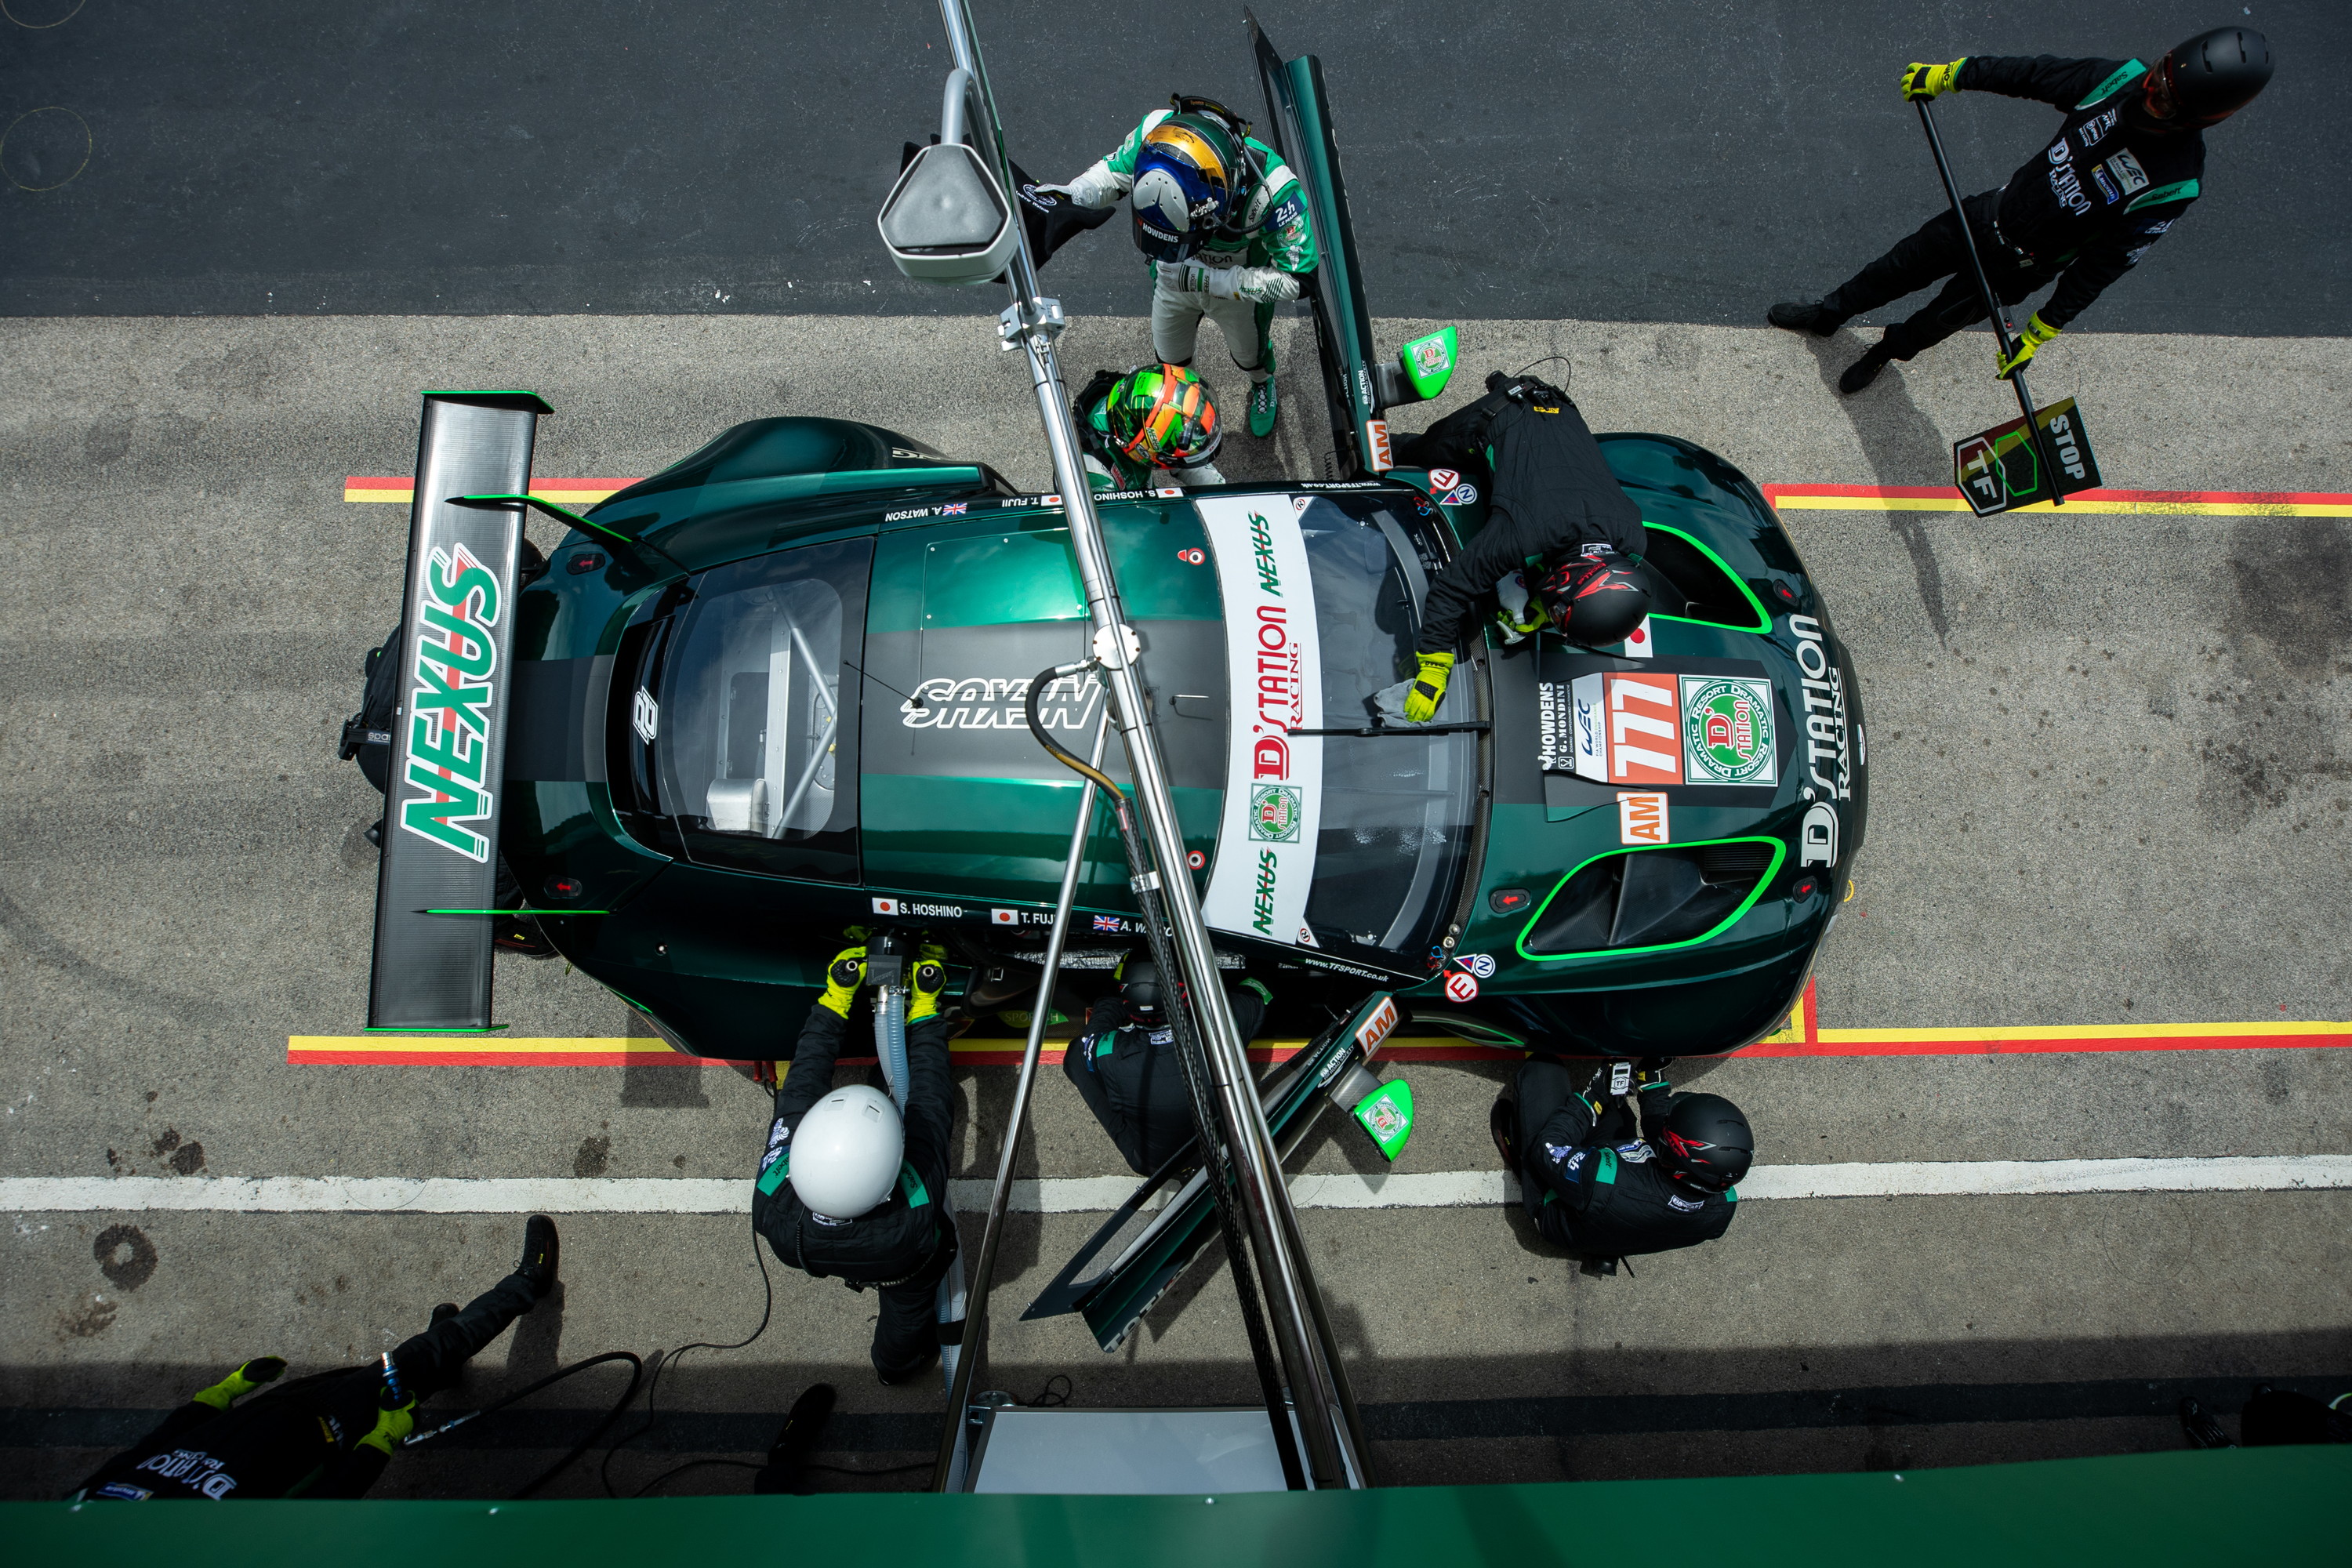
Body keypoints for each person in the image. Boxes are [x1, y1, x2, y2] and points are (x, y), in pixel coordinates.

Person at [1770, 28, 2273, 394]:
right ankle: (1829, 313)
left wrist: (2046, 326)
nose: (2148, 94)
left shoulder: (2175, 183)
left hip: (2020, 268)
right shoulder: (2118, 79)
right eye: (2157, 76)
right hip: (1986, 214)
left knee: (1933, 325)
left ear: (2200, 117)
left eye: (2163, 100)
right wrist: (1955, 74)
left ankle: (1884, 352)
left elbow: (2106, 264)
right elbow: (2033, 74)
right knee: (1892, 269)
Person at [68, 1218, 560, 1501]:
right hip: (334, 1427)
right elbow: (325, 1503)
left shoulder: (89, 1504)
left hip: (276, 1408)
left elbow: (149, 1447)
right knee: (427, 1352)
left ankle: (443, 1368)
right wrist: (381, 1440)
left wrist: (226, 1392)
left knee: (419, 1363)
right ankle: (526, 1285)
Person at [1040, 96, 1318, 439]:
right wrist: (1073, 194)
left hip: (1236, 288)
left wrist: (1208, 280)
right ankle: (1187, 412)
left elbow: (1300, 278)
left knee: (1249, 355)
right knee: (1170, 362)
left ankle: (1262, 382)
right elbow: (1112, 173)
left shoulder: (1274, 190)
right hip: (1173, 279)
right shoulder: (1156, 136)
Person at [753, 943, 960, 1385]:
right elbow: (931, 1102)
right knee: (907, 1311)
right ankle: (894, 1366)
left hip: (807, 1250)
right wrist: (925, 1011)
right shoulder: (917, 1208)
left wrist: (835, 999)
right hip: (902, 1264)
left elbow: (800, 1088)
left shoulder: (772, 1197)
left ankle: (894, 1369)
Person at [1392, 372, 1650, 722]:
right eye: (1557, 614)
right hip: (1504, 412)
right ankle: (1370, 450)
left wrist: (1546, 606)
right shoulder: (1527, 533)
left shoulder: (1633, 541)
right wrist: (1435, 666)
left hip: (1562, 414)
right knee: (1415, 454)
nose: (1552, 618)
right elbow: (1452, 588)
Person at [1490, 1059, 1748, 1266]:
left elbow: (1550, 1148)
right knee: (1616, 1109)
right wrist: (1652, 1082)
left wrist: (1592, 1098)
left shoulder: (1606, 1178)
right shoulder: (1723, 1203)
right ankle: (1605, 1233)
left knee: (1543, 1070)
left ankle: (1522, 1159)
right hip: (1620, 1212)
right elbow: (1666, 1142)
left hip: (1564, 1211)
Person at [1063, 956, 1271, 1176]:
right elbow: (1262, 982)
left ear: (1128, 1006)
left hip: (1152, 1163)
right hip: (1221, 1150)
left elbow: (1100, 1021)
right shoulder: (1221, 1028)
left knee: (1077, 1056)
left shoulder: (1110, 1054)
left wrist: (1119, 980)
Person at [1073, 362, 1225, 492]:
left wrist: (1220, 493)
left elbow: (1182, 454)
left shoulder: (1139, 400)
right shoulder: (1094, 477)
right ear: (1143, 452)